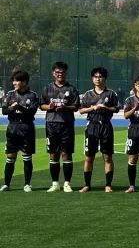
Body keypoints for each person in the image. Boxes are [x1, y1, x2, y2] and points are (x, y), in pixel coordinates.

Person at [78, 67, 120, 192]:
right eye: (95, 77)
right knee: (89, 157)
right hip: (92, 126)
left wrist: (105, 108)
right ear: (92, 79)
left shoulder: (111, 94)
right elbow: (81, 110)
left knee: (107, 157)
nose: (98, 79)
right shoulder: (87, 94)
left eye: (100, 77)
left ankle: (108, 185)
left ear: (105, 78)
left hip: (106, 126)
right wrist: (93, 108)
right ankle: (87, 185)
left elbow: (116, 109)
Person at [40, 61, 80, 193]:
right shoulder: (47, 88)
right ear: (53, 73)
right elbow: (41, 105)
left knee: (66, 154)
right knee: (53, 154)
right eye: (57, 72)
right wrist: (49, 106)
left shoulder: (72, 89)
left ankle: (67, 183)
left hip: (66, 124)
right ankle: (55, 183)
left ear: (66, 73)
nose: (60, 74)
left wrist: (65, 107)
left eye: (62, 72)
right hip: (51, 124)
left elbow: (76, 107)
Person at [2, 70, 40, 192]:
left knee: (27, 157)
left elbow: (31, 112)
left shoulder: (33, 95)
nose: (14, 83)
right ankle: (6, 184)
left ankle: (27, 184)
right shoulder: (10, 95)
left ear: (24, 82)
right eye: (13, 81)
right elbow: (4, 111)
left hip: (26, 128)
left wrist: (19, 107)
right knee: (10, 157)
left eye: (16, 81)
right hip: (12, 128)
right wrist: (11, 108)